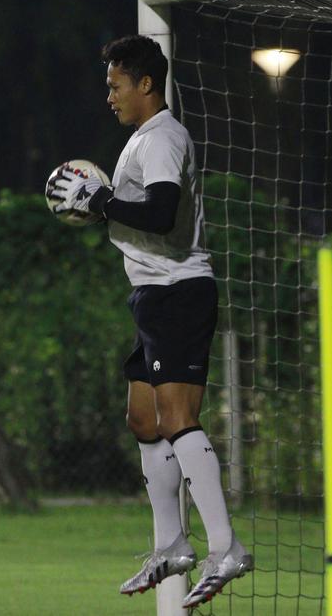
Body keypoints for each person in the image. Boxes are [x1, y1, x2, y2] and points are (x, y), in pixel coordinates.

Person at [50, 35, 253, 608]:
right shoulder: (143, 138)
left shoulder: (163, 137)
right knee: (144, 420)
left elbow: (162, 213)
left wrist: (103, 203)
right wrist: (105, 202)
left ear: (145, 84)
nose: (108, 96)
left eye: (116, 86)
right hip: (152, 296)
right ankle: (171, 545)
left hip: (179, 293)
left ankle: (226, 545)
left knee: (179, 419)